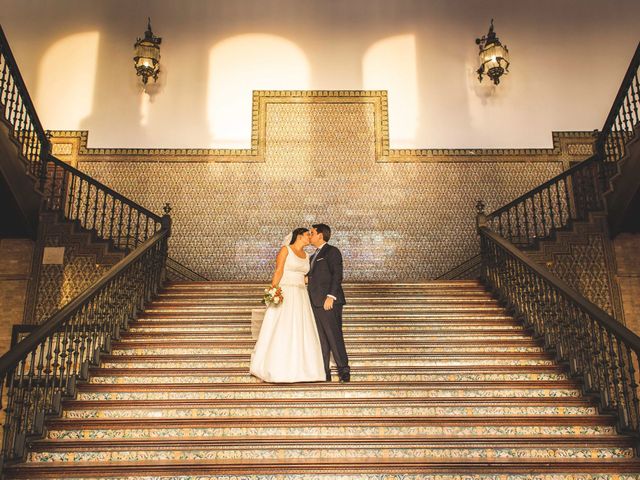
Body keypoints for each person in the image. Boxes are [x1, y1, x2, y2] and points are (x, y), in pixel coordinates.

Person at [249, 228, 326, 383]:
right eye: (307, 235)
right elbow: (279, 270)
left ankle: (304, 369)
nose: (309, 237)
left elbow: (305, 277)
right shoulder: (286, 250)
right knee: (282, 326)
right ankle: (276, 367)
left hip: (301, 294)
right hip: (286, 291)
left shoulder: (307, 256)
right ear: (299, 236)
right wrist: (273, 290)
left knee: (301, 328)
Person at [307, 223, 350, 382]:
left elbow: (337, 275)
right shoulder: (312, 257)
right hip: (314, 303)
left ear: (320, 235)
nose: (309, 235)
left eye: (312, 233)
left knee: (334, 335)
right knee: (321, 339)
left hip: (328, 302)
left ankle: (344, 370)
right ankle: (324, 372)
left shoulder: (332, 251)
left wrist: (331, 296)